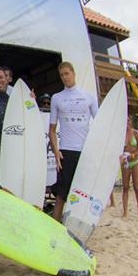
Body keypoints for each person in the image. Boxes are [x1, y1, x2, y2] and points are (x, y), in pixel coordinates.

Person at [48, 61, 98, 222]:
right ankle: (55, 230)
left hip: (84, 152)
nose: (65, 77)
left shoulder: (89, 97)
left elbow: (99, 126)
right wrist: (56, 152)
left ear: (74, 73)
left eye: (67, 74)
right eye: (62, 75)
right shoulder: (57, 98)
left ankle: (78, 228)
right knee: (61, 196)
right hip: (66, 152)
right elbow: (52, 130)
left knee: (82, 195)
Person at [121, 116, 138, 217]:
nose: (127, 123)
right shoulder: (120, 134)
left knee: (136, 187)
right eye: (125, 121)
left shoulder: (135, 133)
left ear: (131, 122)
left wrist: (133, 155)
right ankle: (125, 211)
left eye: (128, 121)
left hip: (135, 162)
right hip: (125, 162)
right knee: (125, 187)